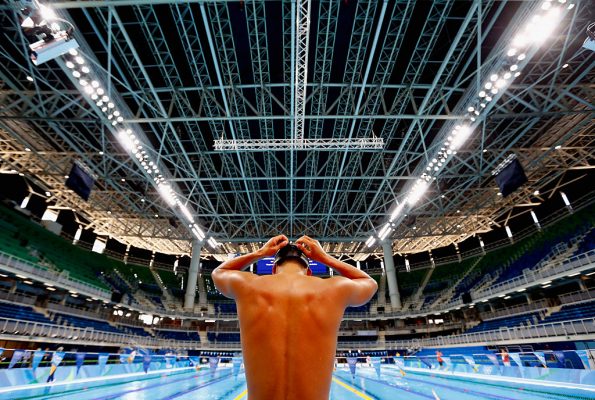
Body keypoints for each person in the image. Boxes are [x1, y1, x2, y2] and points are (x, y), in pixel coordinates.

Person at [212, 235, 378, 400]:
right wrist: (325, 258)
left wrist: (260, 253)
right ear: (309, 271)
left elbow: (219, 272)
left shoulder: (248, 286)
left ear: (274, 269)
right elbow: (369, 283)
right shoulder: (334, 288)